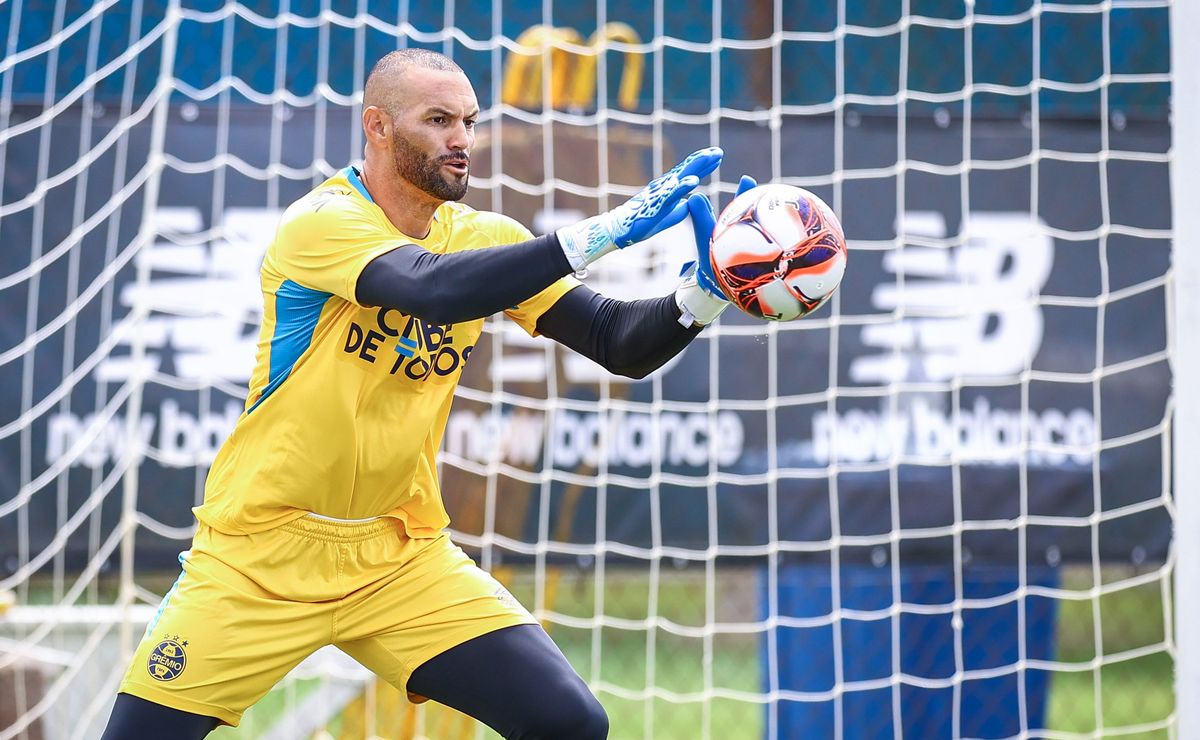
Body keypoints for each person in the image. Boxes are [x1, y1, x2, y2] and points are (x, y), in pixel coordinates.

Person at [100, 48, 754, 739]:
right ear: (377, 127)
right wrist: (603, 231)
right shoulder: (321, 222)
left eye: (469, 121)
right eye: (438, 119)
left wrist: (702, 296)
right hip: (260, 557)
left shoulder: (483, 236)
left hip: (399, 555)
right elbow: (429, 289)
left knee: (570, 722)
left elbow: (619, 342)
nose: (461, 140)